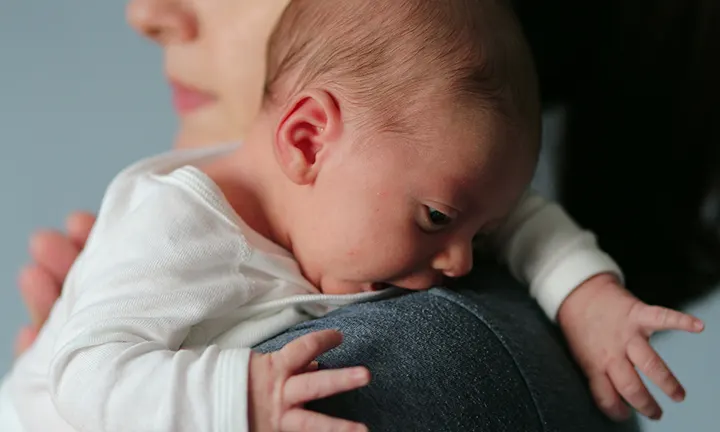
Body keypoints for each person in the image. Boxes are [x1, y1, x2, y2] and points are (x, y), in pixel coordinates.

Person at [5, 0, 703, 430]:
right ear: (306, 140)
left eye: (476, 234)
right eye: (435, 218)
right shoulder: (176, 232)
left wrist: (587, 293)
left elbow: (514, 214)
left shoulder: (438, 321)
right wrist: (237, 397)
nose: (461, 263)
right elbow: (88, 378)